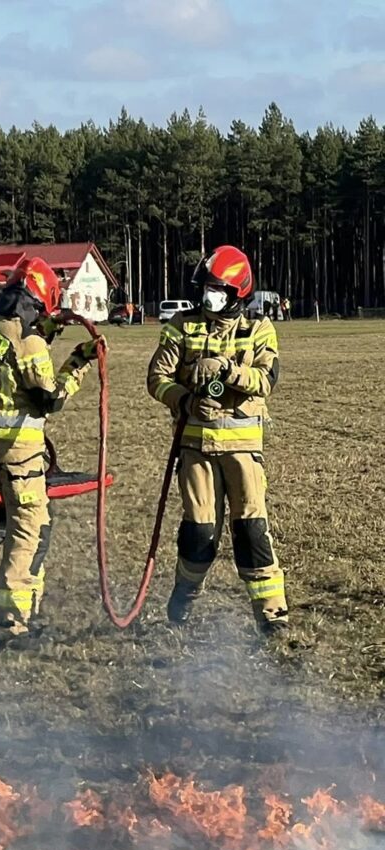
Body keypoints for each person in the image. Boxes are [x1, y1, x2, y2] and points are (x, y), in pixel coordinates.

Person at [147, 245, 287, 636]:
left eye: (217, 288)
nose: (208, 295)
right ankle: (183, 603)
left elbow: (265, 380)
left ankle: (272, 614)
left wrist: (228, 371)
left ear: (237, 291)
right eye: (206, 287)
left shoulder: (259, 329)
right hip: (196, 450)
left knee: (251, 531)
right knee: (199, 533)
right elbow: (156, 380)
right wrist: (187, 399)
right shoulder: (180, 326)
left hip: (242, 452)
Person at [0, 256, 99, 651]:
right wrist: (78, 362)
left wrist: (46, 332)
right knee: (28, 532)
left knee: (38, 524)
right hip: (17, 450)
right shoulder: (31, 341)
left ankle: (25, 613)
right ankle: (9, 627)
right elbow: (48, 397)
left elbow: (11, 359)